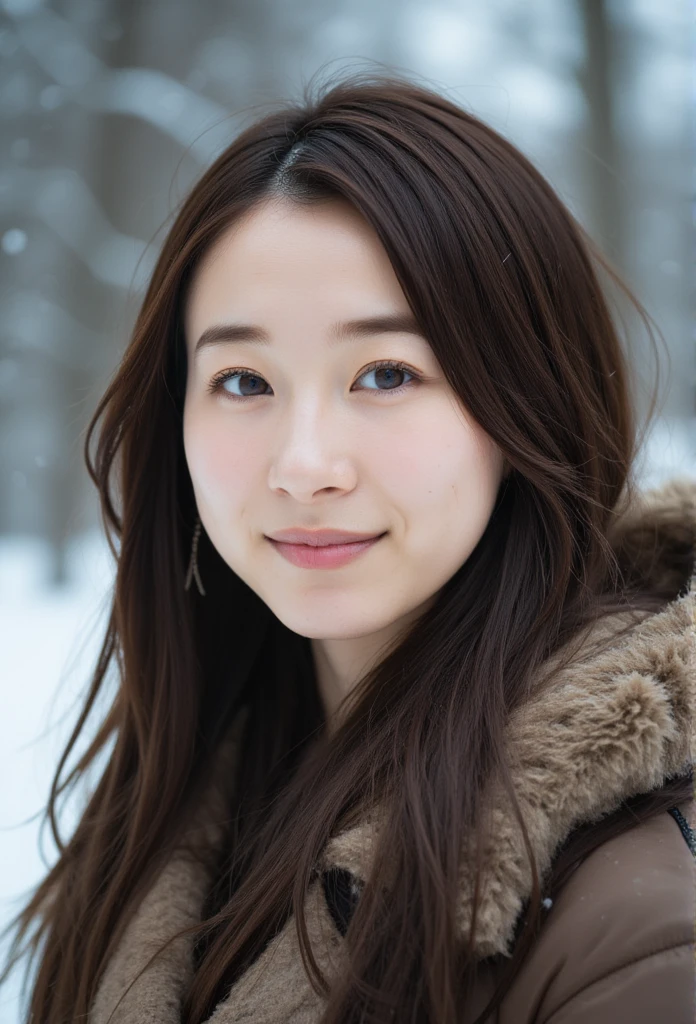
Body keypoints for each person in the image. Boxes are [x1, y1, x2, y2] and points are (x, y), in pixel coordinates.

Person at [2, 71, 694, 1024]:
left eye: (384, 372)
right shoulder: (194, 787)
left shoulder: (645, 923)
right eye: (244, 381)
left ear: (525, 402)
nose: (305, 465)